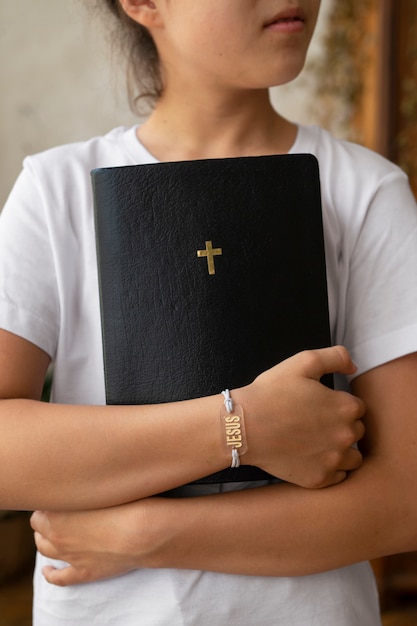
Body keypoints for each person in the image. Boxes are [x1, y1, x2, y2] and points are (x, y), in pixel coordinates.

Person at [1, 0, 417, 624]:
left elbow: (405, 498)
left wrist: (147, 531)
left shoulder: (365, 191)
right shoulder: (56, 190)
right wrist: (246, 425)